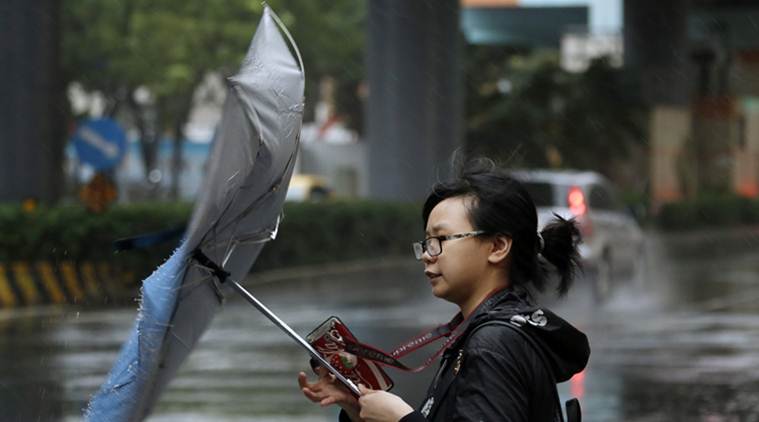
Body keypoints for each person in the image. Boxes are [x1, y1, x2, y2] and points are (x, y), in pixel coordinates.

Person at [298, 158, 591, 422]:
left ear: (498, 247)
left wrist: (402, 420)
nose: (428, 254)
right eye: (426, 242)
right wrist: (358, 411)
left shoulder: (493, 344)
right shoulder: (491, 333)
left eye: (441, 238)